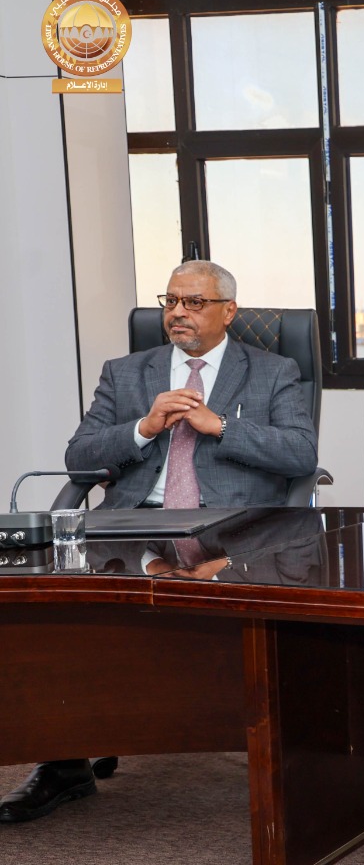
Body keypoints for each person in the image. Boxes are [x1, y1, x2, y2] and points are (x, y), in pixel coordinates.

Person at [0, 260, 319, 824]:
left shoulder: (275, 371)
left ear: (229, 311)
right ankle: (64, 761)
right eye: (170, 301)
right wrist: (143, 428)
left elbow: (301, 455)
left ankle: (281, 750)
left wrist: (221, 426)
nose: (178, 312)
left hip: (232, 529)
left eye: (194, 302)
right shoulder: (126, 372)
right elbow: (79, 457)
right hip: (132, 527)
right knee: (47, 613)